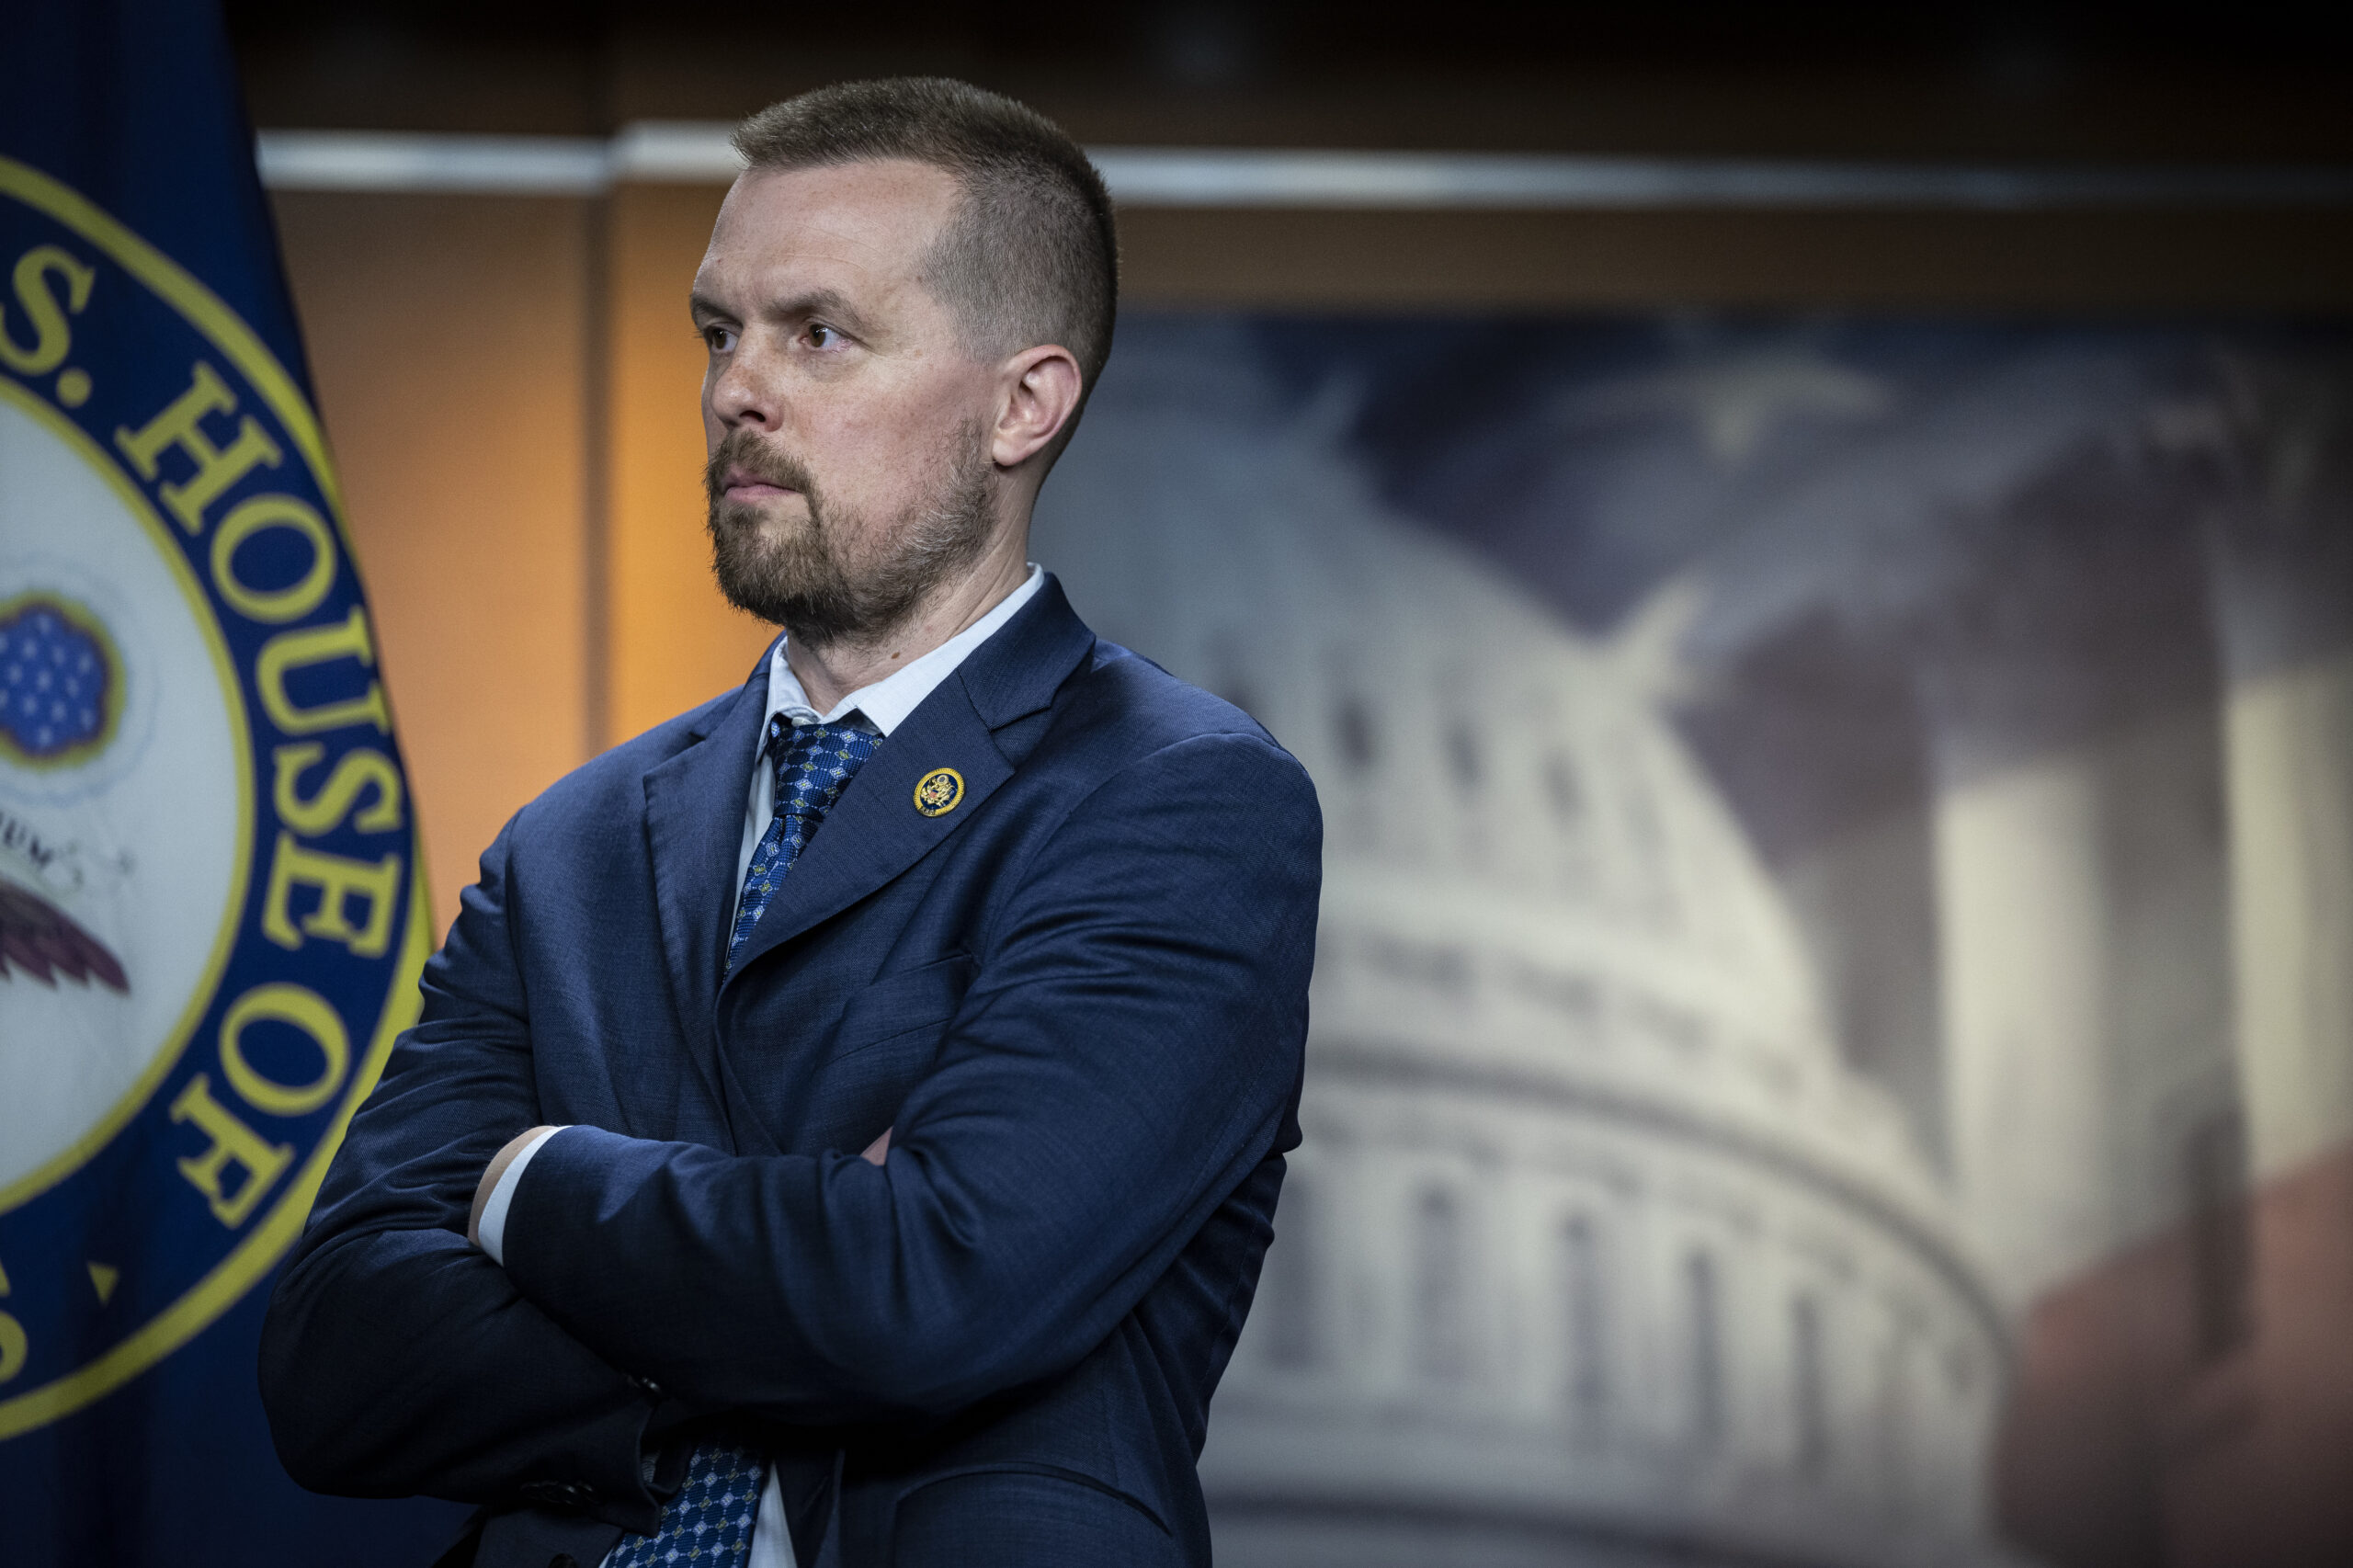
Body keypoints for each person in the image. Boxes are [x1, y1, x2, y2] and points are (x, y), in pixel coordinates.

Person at [258, 77, 1322, 1568]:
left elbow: (932, 1291)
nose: (736, 389)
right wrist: (805, 1272)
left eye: (817, 333)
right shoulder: (568, 845)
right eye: (720, 330)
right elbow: (333, 1357)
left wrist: (533, 1181)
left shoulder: (1181, 799)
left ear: (1026, 402)